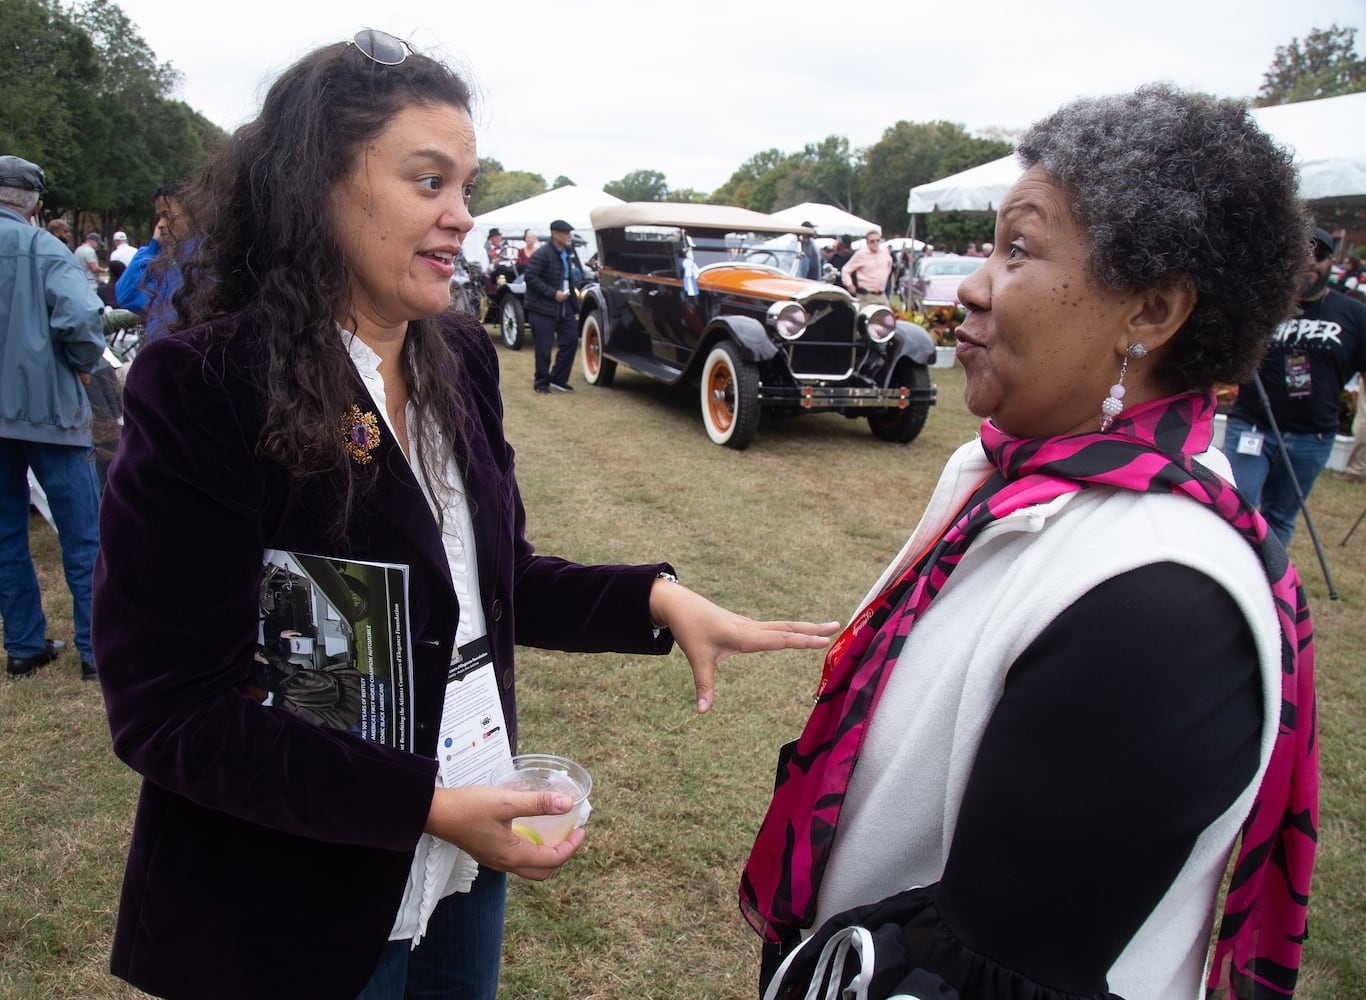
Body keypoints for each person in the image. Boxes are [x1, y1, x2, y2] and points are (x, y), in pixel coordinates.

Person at [92, 31, 837, 1000]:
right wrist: (428, 805)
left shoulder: (457, 354)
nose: (460, 218)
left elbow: (496, 578)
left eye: (467, 188)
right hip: (296, 883)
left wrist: (654, 599)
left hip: (462, 855)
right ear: (315, 184)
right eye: (427, 181)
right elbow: (168, 710)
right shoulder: (204, 384)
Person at [743, 85, 1318, 1000]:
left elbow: (999, 965)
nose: (968, 284)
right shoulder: (1010, 476)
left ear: (1152, 311)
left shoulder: (1162, 602)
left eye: (1019, 248)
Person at [0, 154, 104, 682]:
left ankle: (22, 645)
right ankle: (93, 649)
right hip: (49, 412)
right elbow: (82, 318)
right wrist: (83, 366)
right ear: (35, 202)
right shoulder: (43, 247)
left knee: (5, 535)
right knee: (82, 532)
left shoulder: (44, 248)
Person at [1221, 227, 1366, 545]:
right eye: (1302, 254)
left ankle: (1270, 586)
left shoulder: (1354, 314)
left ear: (1331, 262)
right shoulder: (1262, 305)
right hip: (1253, 426)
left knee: (1280, 517)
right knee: (1236, 505)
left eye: (1321, 255)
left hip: (1311, 437)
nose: (1311, 263)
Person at [116, 180, 190, 339]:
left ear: (193, 213)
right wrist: (153, 246)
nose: (161, 225)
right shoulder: (166, 262)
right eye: (159, 217)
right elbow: (127, 296)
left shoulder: (203, 262)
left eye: (167, 216)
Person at [524, 218, 585, 393]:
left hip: (564, 305)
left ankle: (558, 378)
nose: (568, 236)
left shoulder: (567, 252)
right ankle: (541, 383)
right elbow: (531, 277)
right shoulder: (542, 254)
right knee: (544, 348)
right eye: (565, 233)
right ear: (555, 234)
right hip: (542, 307)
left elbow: (569, 277)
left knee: (571, 339)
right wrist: (552, 293)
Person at [840, 229, 893, 307]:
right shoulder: (861, 254)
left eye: (877, 240)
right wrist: (850, 284)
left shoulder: (885, 252)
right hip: (866, 296)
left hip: (882, 295)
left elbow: (889, 265)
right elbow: (846, 270)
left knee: (887, 317)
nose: (875, 243)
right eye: (872, 241)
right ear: (867, 243)